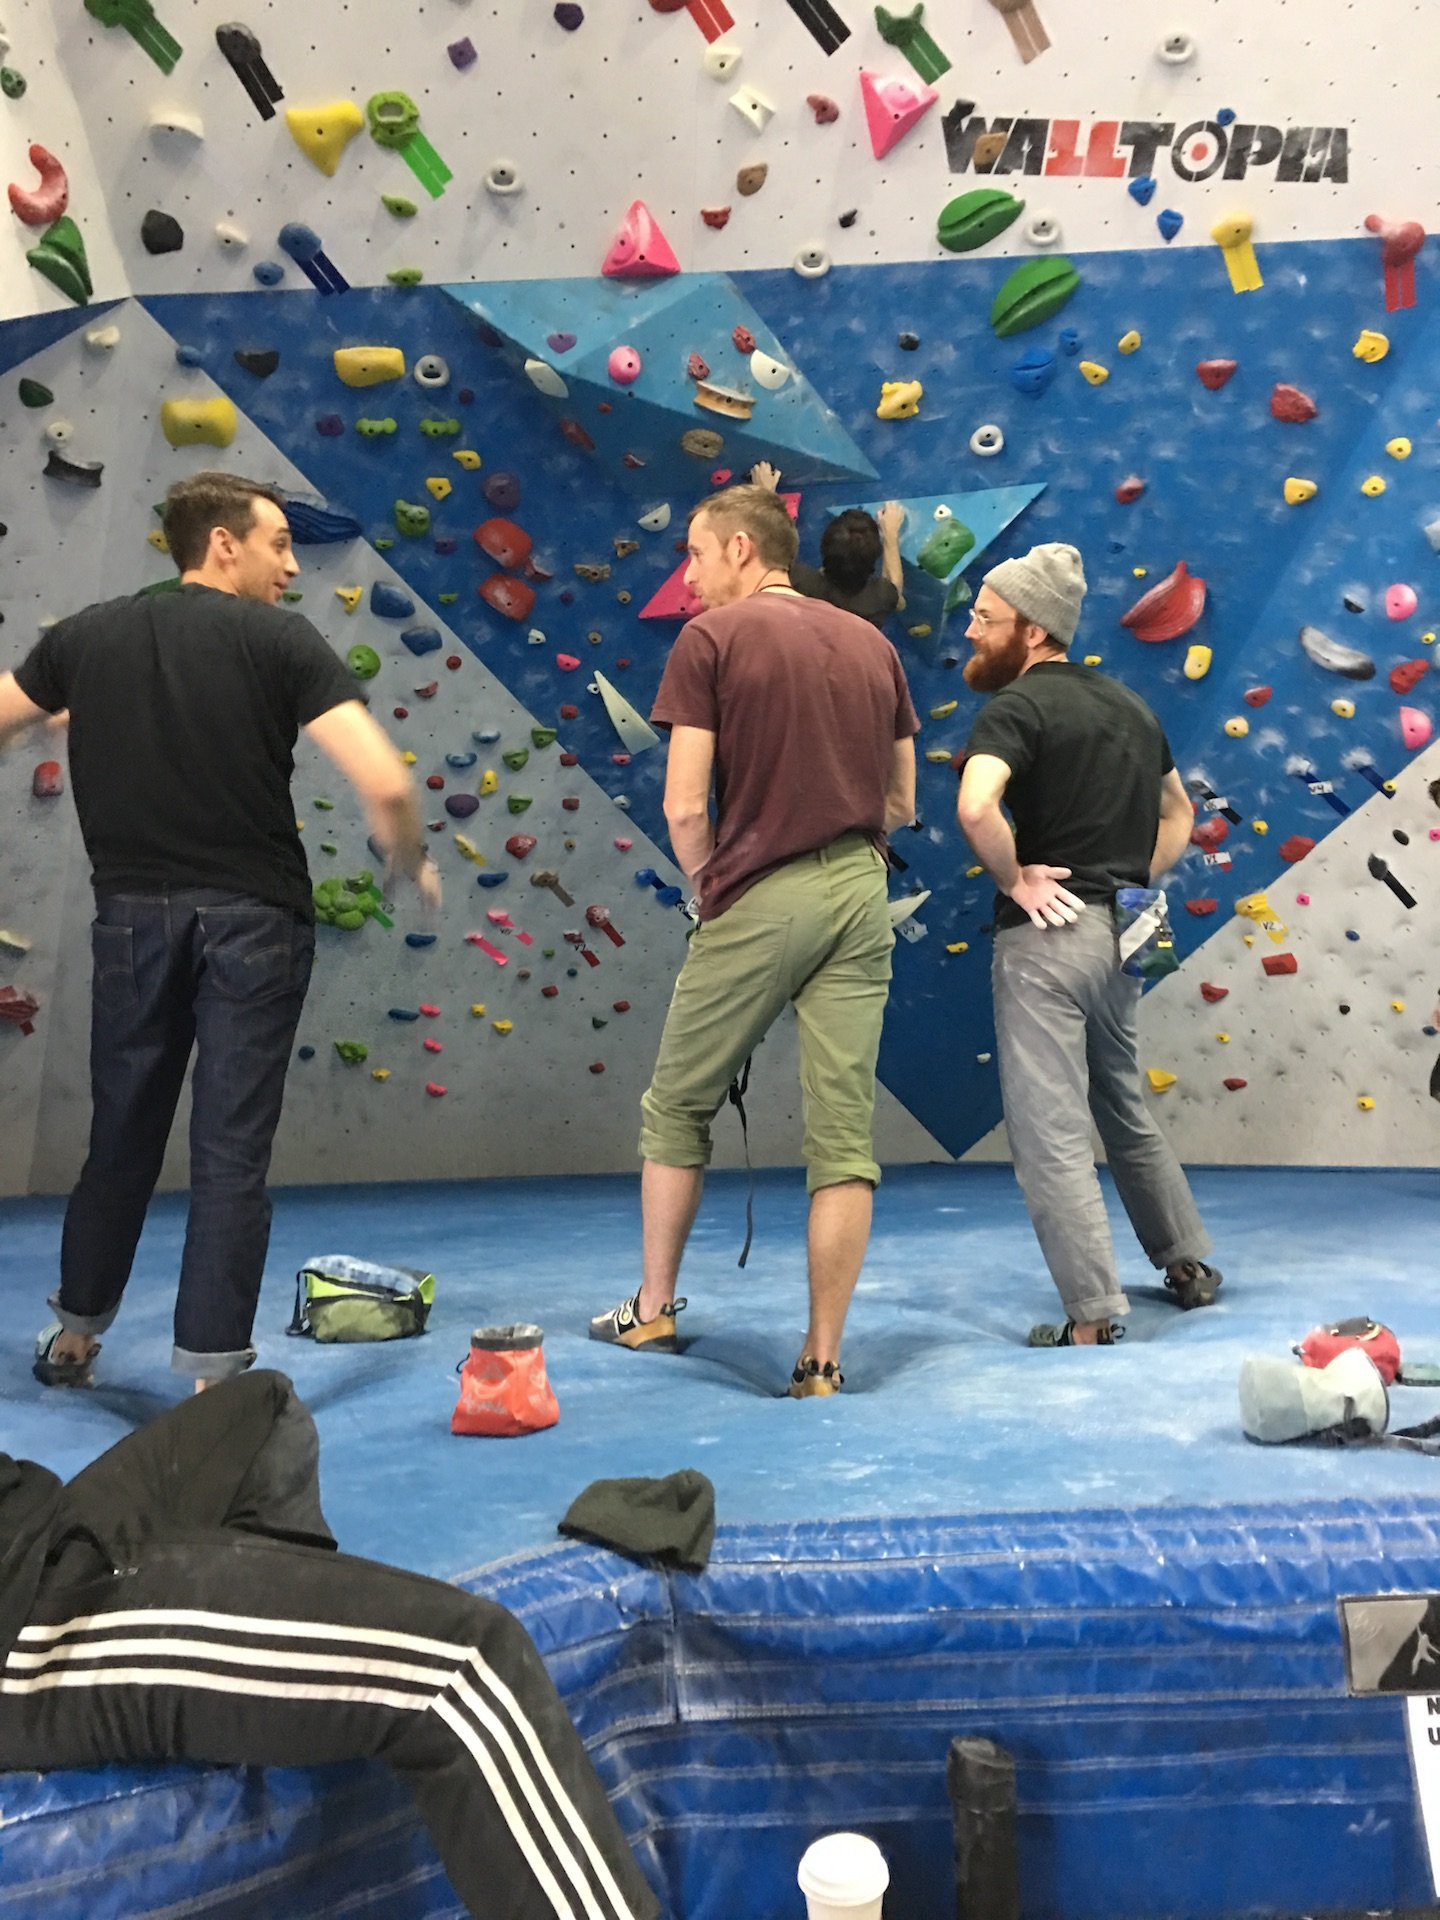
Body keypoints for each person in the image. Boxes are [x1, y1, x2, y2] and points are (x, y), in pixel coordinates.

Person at [0, 472, 441, 1393]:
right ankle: (210, 1374)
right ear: (222, 544)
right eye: (279, 543)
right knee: (231, 1147)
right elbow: (388, 783)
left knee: (121, 1132)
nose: (291, 566)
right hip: (253, 920)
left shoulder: (87, 638)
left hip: (131, 918)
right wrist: (407, 855)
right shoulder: (279, 640)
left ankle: (77, 1335)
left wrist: (60, 722)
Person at [0, 1371, 659, 1920]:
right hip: (29, 1622)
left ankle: (273, 1671)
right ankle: (240, 1655)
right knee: (466, 1668)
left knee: (264, 1416)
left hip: (37, 1524)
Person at [589, 484, 919, 1397]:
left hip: (761, 890)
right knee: (843, 1140)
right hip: (861, 889)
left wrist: (712, 889)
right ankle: (821, 1358)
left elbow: (685, 805)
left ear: (740, 549)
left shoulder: (711, 641)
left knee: (677, 1106)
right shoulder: (874, 644)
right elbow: (902, 803)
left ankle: (653, 1308)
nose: (688, 580)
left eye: (695, 557)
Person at [954, 542, 1222, 1348]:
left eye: (984, 617)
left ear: (1032, 632)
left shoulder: (1017, 708)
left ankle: (1093, 1314)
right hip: (1137, 919)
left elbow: (975, 807)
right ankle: (1187, 1263)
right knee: (1122, 1099)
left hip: (1056, 930)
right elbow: (1182, 813)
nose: (970, 631)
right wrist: (1137, 873)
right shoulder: (1133, 706)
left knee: (1050, 1128)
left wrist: (1014, 881)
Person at [749, 462, 904, 628]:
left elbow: (765, 554)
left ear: (823, 549)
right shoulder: (878, 599)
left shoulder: (798, 581)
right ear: (874, 559)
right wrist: (890, 535)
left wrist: (765, 496)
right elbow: (896, 592)